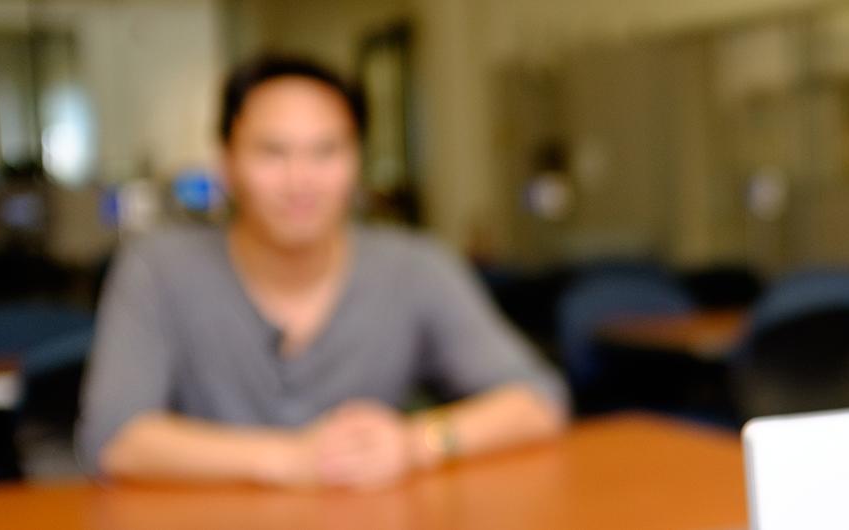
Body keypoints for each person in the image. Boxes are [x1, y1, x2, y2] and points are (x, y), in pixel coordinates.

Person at [78, 57, 567, 488]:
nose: (300, 181)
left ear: (356, 164)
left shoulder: (415, 267)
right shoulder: (158, 269)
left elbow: (537, 401)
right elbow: (113, 439)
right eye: (272, 152)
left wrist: (415, 444)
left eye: (326, 151)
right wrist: (289, 460)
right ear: (226, 164)